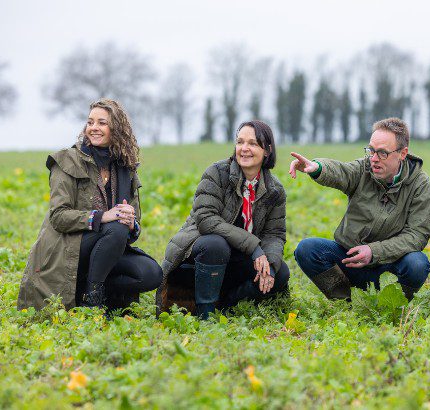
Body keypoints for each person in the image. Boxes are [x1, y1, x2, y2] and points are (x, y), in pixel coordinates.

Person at [18, 98, 162, 312]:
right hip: (67, 247)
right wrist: (103, 216)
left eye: (102, 123)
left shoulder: (125, 168)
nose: (94, 128)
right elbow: (58, 217)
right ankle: (91, 299)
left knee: (151, 273)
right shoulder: (67, 161)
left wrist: (132, 223)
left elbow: (133, 227)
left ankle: (93, 288)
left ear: (117, 129)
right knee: (115, 227)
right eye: (90, 122)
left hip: (107, 248)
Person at [156, 120, 289, 319]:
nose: (244, 149)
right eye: (240, 142)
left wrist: (267, 263)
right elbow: (206, 219)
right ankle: (206, 314)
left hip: (235, 263)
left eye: (252, 143)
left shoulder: (275, 190)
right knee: (215, 244)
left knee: (279, 271)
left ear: (267, 150)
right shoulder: (216, 173)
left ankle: (228, 306)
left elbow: (274, 234)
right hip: (198, 261)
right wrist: (253, 247)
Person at [290, 117, 430, 301]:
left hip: (389, 267)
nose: (374, 159)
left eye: (382, 153)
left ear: (402, 153)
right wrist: (317, 167)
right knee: (307, 249)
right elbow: (341, 172)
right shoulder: (363, 168)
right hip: (350, 260)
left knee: (417, 264)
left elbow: (418, 234)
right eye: (371, 150)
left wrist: (374, 251)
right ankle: (345, 300)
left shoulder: (419, 183)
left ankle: (390, 303)